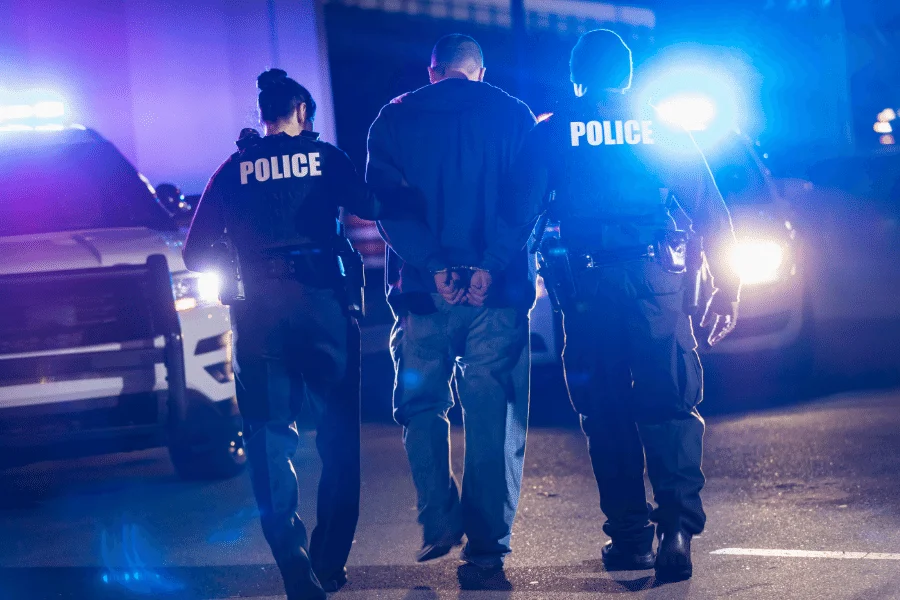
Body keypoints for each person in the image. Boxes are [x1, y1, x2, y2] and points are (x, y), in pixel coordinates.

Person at [514, 30, 741, 582]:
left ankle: (632, 539)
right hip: (656, 281)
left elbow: (518, 217)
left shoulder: (554, 130)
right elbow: (710, 208)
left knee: (605, 412)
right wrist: (726, 286)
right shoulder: (662, 124)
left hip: (587, 289)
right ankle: (678, 531)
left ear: (577, 77)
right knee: (670, 404)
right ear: (629, 78)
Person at [184, 68, 400, 600]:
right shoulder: (325, 157)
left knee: (268, 439)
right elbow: (371, 207)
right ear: (302, 112)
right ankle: (329, 562)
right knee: (338, 440)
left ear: (264, 115)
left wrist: (235, 281)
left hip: (259, 315)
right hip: (324, 306)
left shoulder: (233, 168)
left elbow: (195, 250)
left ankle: (296, 570)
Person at [366, 34, 538, 579]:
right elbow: (525, 201)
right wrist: (489, 263)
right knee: (493, 411)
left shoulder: (393, 119)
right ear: (479, 72)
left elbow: (387, 207)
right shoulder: (514, 116)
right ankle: (486, 544)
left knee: (422, 405)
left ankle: (439, 518)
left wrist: (436, 265)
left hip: (424, 295)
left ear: (433, 70)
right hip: (499, 291)